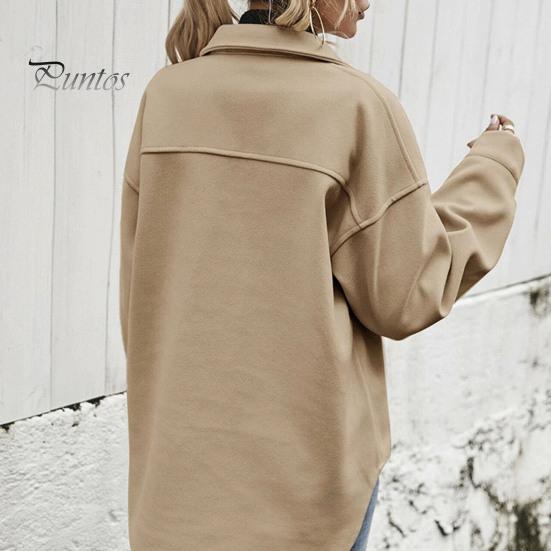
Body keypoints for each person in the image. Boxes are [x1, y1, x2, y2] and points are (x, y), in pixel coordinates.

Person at [118, 1, 525, 550]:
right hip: (308, 501)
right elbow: (408, 294)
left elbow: (141, 297)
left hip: (176, 493)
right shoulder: (356, 105)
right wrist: (494, 166)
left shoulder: (166, 96)